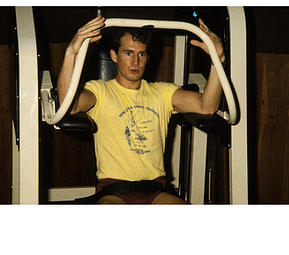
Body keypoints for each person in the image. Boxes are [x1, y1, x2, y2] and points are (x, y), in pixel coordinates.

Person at [57, 15, 225, 204]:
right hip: (114, 191)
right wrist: (71, 53)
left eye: (141, 54)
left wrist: (217, 60)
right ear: (114, 55)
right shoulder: (100, 91)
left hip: (156, 192)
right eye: (128, 53)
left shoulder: (162, 92)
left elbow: (207, 106)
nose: (135, 62)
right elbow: (67, 106)